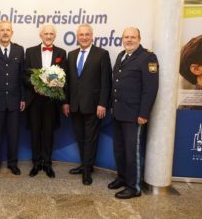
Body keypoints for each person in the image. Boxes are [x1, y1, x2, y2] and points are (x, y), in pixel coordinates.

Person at [109, 27, 159, 199]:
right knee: (119, 149)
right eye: (126, 37)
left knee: (132, 152)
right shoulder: (121, 55)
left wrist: (144, 113)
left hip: (134, 115)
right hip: (118, 112)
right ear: (122, 39)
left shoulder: (148, 57)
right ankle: (122, 178)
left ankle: (134, 187)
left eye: (133, 37)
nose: (129, 40)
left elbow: (150, 88)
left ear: (139, 38)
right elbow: (116, 82)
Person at [62, 23, 112, 185]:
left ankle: (87, 171)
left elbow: (106, 82)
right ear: (77, 37)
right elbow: (68, 82)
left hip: (93, 105)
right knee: (80, 137)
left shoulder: (102, 54)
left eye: (87, 35)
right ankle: (85, 165)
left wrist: (102, 103)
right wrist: (66, 102)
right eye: (81, 35)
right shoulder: (71, 55)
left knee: (90, 139)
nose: (84, 37)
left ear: (92, 36)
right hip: (75, 105)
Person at [24, 23, 67, 178]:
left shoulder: (62, 53)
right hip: (34, 100)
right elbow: (24, 75)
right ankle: (36, 163)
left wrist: (55, 87)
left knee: (48, 132)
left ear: (54, 36)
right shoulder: (30, 52)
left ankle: (47, 163)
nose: (48, 36)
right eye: (46, 34)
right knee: (35, 132)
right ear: (40, 35)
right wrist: (34, 85)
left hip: (51, 102)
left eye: (51, 34)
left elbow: (64, 78)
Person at [0, 20, 25, 177]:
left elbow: (22, 77)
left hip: (14, 101)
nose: (5, 32)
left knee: (13, 134)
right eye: (2, 30)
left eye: (8, 30)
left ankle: (13, 163)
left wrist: (22, 98)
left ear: (12, 33)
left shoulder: (19, 50)